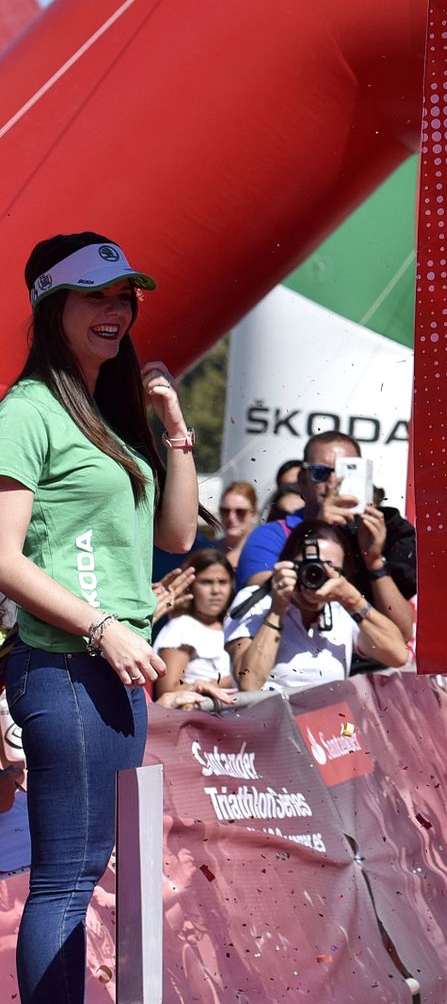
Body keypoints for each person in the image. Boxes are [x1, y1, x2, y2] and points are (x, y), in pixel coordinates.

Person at [0, 233, 198, 1003]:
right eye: (96, 295)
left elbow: (178, 534)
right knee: (65, 879)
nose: (115, 310)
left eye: (124, 296)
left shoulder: (106, 416)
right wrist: (101, 625)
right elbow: (4, 555)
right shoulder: (26, 410)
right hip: (66, 668)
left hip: (114, 674)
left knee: (80, 877)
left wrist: (173, 422)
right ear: (52, 306)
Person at [233, 430, 415, 669]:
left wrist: (374, 562)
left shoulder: (381, 533)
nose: (333, 483)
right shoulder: (271, 535)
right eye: (321, 473)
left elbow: (402, 633)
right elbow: (263, 599)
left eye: (347, 472)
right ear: (302, 481)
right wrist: (318, 528)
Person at [228, 520, 408, 691]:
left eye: (329, 570)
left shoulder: (340, 609)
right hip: (271, 721)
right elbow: (249, 683)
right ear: (288, 564)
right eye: (309, 567)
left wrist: (354, 600)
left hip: (325, 721)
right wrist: (277, 610)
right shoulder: (256, 602)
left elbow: (398, 656)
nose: (316, 577)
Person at [152, 549, 235, 699]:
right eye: (206, 582)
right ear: (191, 586)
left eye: (223, 582)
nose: (216, 590)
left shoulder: (235, 628)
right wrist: (234, 681)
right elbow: (168, 691)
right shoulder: (181, 627)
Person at [217, 481, 258, 568]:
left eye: (240, 512)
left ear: (254, 513)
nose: (231, 517)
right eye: (225, 510)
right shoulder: (209, 550)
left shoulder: (264, 550)